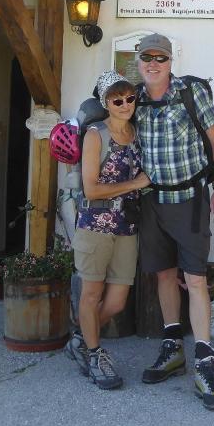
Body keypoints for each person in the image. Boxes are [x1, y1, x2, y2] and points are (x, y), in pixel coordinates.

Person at [134, 33, 214, 411]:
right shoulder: (134, 100)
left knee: (195, 280)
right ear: (138, 62)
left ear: (171, 61)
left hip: (190, 200)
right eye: (147, 57)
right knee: (163, 275)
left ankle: (205, 367)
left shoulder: (191, 93)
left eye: (160, 57)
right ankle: (173, 350)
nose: (153, 64)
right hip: (151, 201)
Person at [67, 71, 150, 390]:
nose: (125, 104)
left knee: (115, 302)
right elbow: (91, 189)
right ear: (106, 103)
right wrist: (135, 184)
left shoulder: (137, 132)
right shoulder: (95, 136)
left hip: (126, 226)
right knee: (91, 295)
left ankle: (80, 339)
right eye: (117, 99)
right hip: (95, 225)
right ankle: (95, 354)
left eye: (130, 98)